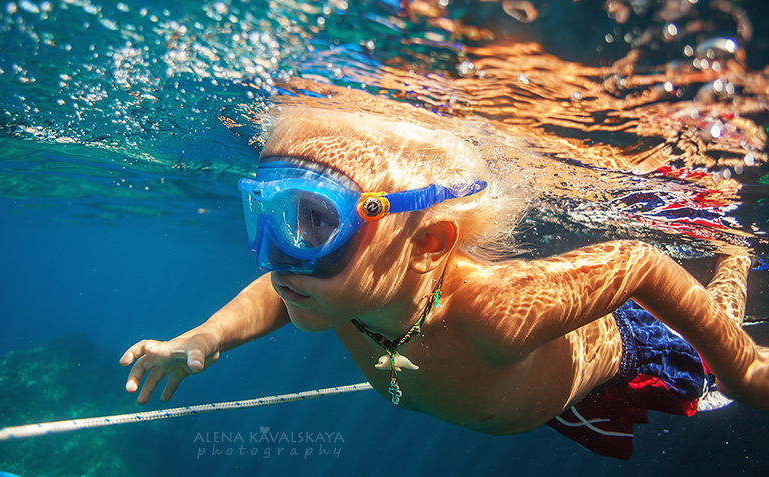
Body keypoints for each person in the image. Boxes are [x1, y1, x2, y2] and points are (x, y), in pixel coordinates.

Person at [120, 105, 768, 460]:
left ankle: (734, 255)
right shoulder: (333, 286)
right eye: (266, 213)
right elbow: (278, 292)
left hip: (622, 349)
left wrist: (742, 372)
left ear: (428, 244)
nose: (277, 254)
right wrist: (204, 338)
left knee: (716, 331)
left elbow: (639, 261)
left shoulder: (494, 312)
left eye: (316, 220)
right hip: (542, 393)